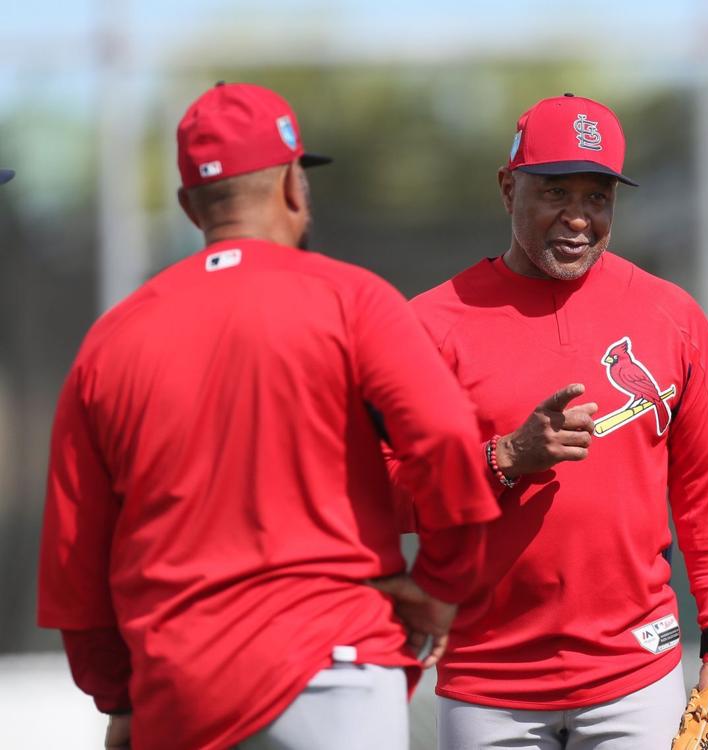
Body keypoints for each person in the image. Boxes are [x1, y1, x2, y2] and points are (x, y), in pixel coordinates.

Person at [37, 82, 499, 750]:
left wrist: (120, 697)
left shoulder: (112, 339)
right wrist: (442, 582)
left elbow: (74, 562)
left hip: (182, 692)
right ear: (291, 184)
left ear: (189, 206)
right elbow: (448, 438)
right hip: (335, 665)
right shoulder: (352, 297)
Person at [405, 93, 708, 749]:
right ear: (507, 187)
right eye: (555, 192)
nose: (577, 218)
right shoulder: (432, 326)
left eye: (597, 197)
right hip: (488, 681)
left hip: (636, 675)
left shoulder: (671, 316)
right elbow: (378, 493)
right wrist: (502, 460)